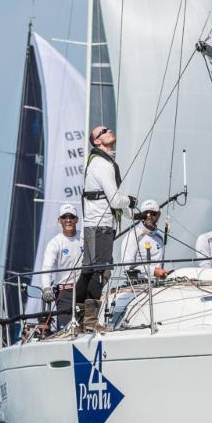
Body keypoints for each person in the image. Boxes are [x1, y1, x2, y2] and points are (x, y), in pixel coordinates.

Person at [75, 125, 136, 315]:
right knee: (102, 271)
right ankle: (90, 320)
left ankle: (77, 316)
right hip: (101, 226)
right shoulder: (103, 164)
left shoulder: (98, 162)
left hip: (92, 225)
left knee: (88, 271)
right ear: (97, 141)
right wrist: (132, 201)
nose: (109, 131)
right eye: (103, 131)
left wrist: (135, 215)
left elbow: (110, 201)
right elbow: (116, 200)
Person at [36, 203, 84, 330]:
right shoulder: (55, 243)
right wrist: (46, 288)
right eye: (64, 217)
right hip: (65, 292)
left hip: (83, 290)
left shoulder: (84, 237)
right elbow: (47, 267)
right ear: (59, 220)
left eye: (71, 217)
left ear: (77, 219)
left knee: (87, 328)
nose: (68, 220)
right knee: (65, 330)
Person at [120, 200, 169, 280]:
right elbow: (127, 266)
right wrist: (153, 271)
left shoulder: (159, 238)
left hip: (158, 285)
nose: (149, 216)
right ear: (141, 215)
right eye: (146, 213)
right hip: (138, 287)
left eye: (153, 213)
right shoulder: (133, 236)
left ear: (158, 215)